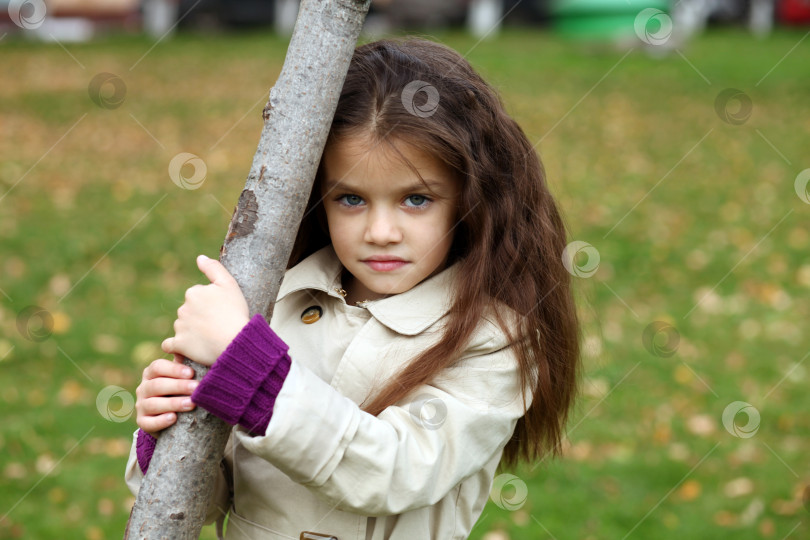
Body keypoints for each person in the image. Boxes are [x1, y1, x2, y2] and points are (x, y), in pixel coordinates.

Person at [125, 37, 582, 540]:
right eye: (351, 199)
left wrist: (252, 371)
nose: (381, 231)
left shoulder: (492, 340)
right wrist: (166, 435)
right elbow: (211, 499)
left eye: (415, 199)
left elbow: (393, 471)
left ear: (469, 200)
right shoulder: (272, 306)